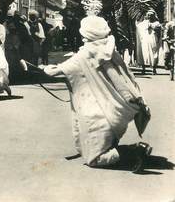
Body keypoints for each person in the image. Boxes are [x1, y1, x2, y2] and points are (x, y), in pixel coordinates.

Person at [42, 16, 152, 173]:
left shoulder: (85, 53)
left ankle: (136, 151)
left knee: (95, 159)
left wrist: (44, 68)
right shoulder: (109, 47)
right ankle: (119, 148)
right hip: (119, 107)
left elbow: (57, 71)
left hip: (101, 111)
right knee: (101, 144)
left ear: (87, 33)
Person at [136, 10, 162, 74]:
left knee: (154, 53)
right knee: (144, 53)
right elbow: (138, 26)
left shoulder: (157, 23)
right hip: (145, 40)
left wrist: (152, 27)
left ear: (154, 16)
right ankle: (143, 68)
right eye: (148, 15)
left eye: (151, 15)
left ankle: (154, 68)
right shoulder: (144, 23)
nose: (149, 16)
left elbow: (158, 31)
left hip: (153, 40)